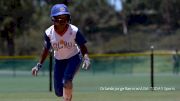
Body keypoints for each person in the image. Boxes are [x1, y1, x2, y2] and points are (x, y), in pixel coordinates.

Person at [31, 4, 90, 101]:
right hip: (59, 61)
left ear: (68, 18)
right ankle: (67, 96)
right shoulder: (49, 33)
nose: (62, 20)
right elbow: (46, 50)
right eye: (59, 18)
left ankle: (67, 99)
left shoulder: (74, 31)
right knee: (58, 92)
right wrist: (38, 65)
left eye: (65, 17)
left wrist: (86, 58)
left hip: (74, 58)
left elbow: (83, 46)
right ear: (53, 19)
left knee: (67, 81)